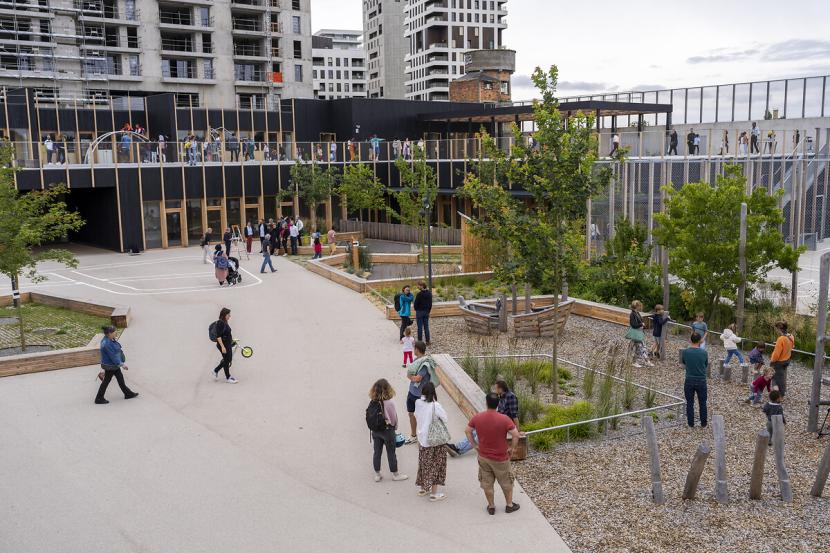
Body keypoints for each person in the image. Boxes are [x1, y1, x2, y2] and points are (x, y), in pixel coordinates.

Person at [466, 392, 521, 515]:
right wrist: (512, 448)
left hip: (484, 457)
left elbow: (468, 431)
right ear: (498, 404)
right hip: (501, 458)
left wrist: (475, 445)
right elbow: (516, 434)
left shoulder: (477, 417)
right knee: (506, 481)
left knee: (487, 483)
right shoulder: (504, 419)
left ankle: (491, 506)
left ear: (486, 403)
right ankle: (509, 505)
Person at [448, 380, 519, 457]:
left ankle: (459, 450)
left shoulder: (511, 397)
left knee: (480, 435)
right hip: (497, 420)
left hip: (504, 424)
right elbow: (499, 411)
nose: (495, 390)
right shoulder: (501, 397)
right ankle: (457, 447)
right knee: (475, 430)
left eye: (496, 388)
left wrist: (518, 430)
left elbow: (514, 415)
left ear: (501, 389)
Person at [368, 379, 409, 483]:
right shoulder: (389, 403)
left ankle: (377, 474)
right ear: (387, 389)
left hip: (375, 431)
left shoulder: (373, 402)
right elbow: (393, 418)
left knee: (377, 452)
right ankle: (395, 474)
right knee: (391, 453)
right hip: (387, 431)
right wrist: (395, 427)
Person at [414, 382, 448, 502]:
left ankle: (424, 488)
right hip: (434, 440)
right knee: (436, 465)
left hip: (422, 439)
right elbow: (445, 418)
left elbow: (416, 416)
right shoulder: (435, 405)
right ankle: (434, 494)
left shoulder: (417, 403)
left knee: (424, 463)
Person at [95, 325, 139, 404]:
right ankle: (99, 398)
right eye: (114, 331)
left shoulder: (108, 340)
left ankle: (127, 393)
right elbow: (113, 357)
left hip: (112, 365)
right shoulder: (107, 344)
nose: (116, 332)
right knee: (106, 381)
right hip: (111, 366)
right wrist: (122, 364)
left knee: (120, 379)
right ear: (109, 333)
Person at [405, 340, 432, 444]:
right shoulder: (417, 360)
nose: (413, 350)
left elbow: (418, 378)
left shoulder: (425, 364)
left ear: (417, 349)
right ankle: (413, 435)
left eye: (414, 348)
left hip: (420, 396)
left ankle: (423, 437)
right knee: (411, 413)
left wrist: (409, 376)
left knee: (422, 417)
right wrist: (411, 377)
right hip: (411, 393)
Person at [682, 333, 709, 428]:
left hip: (689, 379)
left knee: (689, 402)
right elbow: (706, 365)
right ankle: (703, 423)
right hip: (701, 380)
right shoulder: (704, 352)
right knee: (702, 403)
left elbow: (684, 362)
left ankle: (690, 423)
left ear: (690, 339)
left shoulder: (685, 352)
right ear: (699, 340)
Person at [212, 308, 238, 383]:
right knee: (227, 360)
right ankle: (228, 377)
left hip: (227, 344)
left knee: (228, 359)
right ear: (224, 315)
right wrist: (223, 347)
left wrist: (232, 341)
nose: (230, 316)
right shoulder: (220, 323)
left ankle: (216, 370)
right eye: (228, 314)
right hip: (223, 345)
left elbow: (227, 334)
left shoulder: (225, 321)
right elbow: (218, 336)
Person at [770, 321, 794, 399]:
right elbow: (792, 347)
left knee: (775, 379)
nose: (776, 331)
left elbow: (776, 353)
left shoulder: (781, 339)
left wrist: (772, 361)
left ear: (779, 328)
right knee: (782, 377)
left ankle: (778, 396)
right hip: (787, 360)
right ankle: (782, 393)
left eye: (776, 329)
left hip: (779, 362)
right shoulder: (791, 336)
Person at [628, 300, 652, 368]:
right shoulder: (632, 314)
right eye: (640, 306)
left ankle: (643, 361)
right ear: (637, 306)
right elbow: (633, 325)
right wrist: (641, 324)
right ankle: (645, 361)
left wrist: (641, 324)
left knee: (640, 348)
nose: (641, 307)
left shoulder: (637, 313)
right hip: (636, 333)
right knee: (641, 348)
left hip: (639, 333)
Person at [413, 280, 432, 344]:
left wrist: (416, 309)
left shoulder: (419, 294)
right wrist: (428, 311)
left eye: (418, 285)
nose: (418, 286)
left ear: (422, 286)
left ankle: (420, 341)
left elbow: (415, 304)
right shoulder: (429, 293)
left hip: (419, 312)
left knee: (420, 327)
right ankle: (428, 341)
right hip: (426, 312)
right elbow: (430, 304)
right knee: (426, 327)